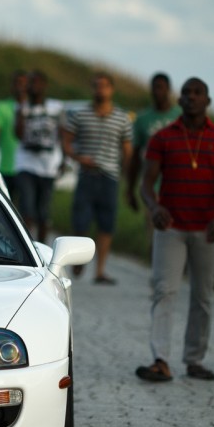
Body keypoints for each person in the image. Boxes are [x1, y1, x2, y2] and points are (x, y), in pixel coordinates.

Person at [135, 77, 214, 382]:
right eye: (187, 94)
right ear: (179, 101)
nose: (191, 98)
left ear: (208, 101)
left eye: (198, 93)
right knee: (165, 290)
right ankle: (161, 360)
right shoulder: (163, 138)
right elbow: (146, 185)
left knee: (202, 297)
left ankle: (194, 360)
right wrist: (155, 209)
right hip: (171, 228)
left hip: (207, 228)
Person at [61, 71, 133, 284]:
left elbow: (127, 149)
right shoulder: (80, 115)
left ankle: (100, 270)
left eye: (104, 86)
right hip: (87, 174)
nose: (100, 90)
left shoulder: (122, 118)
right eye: (96, 86)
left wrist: (127, 175)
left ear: (111, 89)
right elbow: (66, 142)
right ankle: (79, 259)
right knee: (80, 221)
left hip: (110, 176)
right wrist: (78, 157)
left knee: (106, 224)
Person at [13, 70, 65, 241]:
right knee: (27, 208)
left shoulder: (56, 108)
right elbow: (18, 134)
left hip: (48, 165)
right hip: (26, 163)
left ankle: (41, 249)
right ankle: (27, 246)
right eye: (30, 83)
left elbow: (62, 135)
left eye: (35, 82)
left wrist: (64, 160)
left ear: (44, 85)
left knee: (43, 213)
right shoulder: (22, 107)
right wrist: (22, 107)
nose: (32, 86)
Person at [125, 72, 180, 213]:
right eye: (154, 88)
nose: (157, 92)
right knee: (155, 229)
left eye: (161, 87)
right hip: (152, 187)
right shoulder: (142, 119)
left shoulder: (180, 116)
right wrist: (130, 189)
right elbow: (135, 156)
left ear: (169, 90)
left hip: (178, 186)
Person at [0, 70, 26, 194]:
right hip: (7, 168)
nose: (19, 87)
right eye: (17, 83)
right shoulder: (2, 107)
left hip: (27, 168)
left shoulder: (33, 108)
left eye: (23, 83)